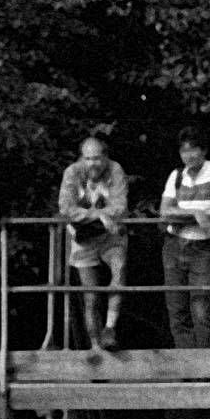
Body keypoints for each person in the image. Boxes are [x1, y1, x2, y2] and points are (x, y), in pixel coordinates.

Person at [54, 133, 130, 351]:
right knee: (90, 296)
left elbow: (120, 206)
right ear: (81, 158)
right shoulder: (72, 172)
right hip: (84, 237)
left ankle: (109, 328)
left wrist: (95, 215)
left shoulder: (115, 170)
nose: (92, 163)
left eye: (96, 158)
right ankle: (95, 346)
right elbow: (65, 207)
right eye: (87, 158)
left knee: (119, 269)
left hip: (110, 236)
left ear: (105, 157)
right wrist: (99, 216)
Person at [157, 125, 210, 349]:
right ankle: (186, 365)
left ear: (203, 150)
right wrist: (195, 214)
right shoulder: (176, 175)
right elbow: (164, 210)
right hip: (174, 243)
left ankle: (205, 366)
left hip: (201, 246)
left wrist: (191, 214)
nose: (188, 155)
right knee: (176, 308)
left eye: (193, 150)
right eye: (184, 151)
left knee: (200, 308)